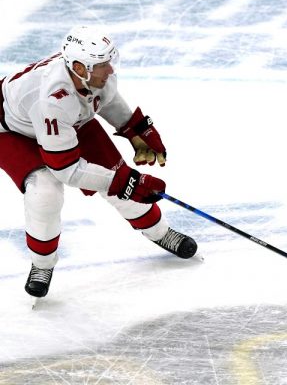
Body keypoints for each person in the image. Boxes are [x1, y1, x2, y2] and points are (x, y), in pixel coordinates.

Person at [0, 25, 197, 298]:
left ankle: (159, 232)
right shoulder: (53, 99)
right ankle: (42, 264)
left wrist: (136, 130)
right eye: (103, 65)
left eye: (109, 61)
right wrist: (124, 181)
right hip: (12, 132)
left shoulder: (92, 77)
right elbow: (66, 169)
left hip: (67, 122)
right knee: (44, 192)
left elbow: (110, 100)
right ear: (80, 69)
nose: (111, 70)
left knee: (119, 175)